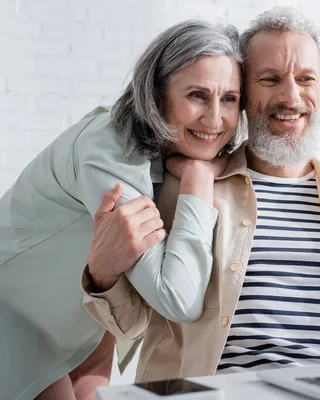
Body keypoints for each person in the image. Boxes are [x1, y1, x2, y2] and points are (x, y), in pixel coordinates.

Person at [84, 6, 320, 382]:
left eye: (306, 78)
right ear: (245, 91)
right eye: (270, 79)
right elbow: (131, 325)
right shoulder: (184, 189)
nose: (291, 95)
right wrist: (102, 277)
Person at [0, 20, 243, 400]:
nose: (215, 119)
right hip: (13, 317)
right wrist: (198, 178)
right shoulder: (110, 153)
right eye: (197, 95)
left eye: (229, 98)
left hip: (81, 329)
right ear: (156, 94)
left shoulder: (166, 151)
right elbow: (177, 298)